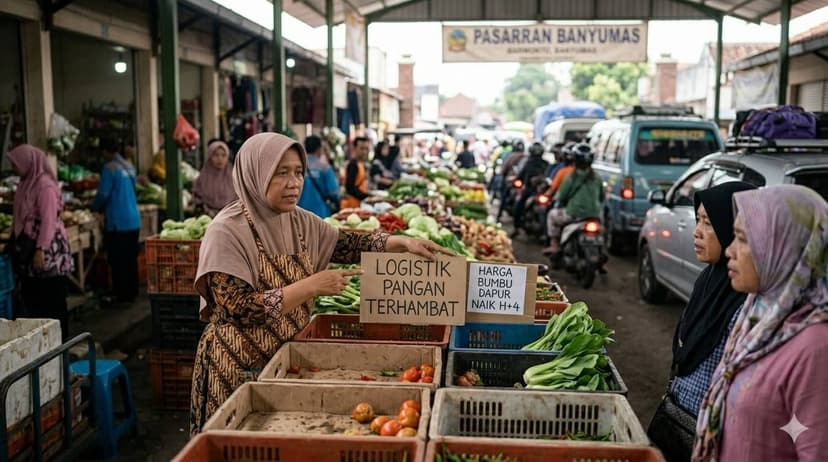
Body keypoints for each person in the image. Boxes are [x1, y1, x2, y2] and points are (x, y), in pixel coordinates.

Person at [189, 133, 452, 435]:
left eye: (299, 172)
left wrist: (401, 242)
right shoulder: (227, 231)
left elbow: (347, 243)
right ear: (255, 173)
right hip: (239, 364)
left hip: (287, 358)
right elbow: (241, 309)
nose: (294, 183)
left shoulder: (300, 221)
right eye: (281, 172)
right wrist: (311, 286)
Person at [692, 185, 828, 462]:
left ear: (784, 248)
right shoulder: (755, 319)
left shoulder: (816, 349)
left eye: (743, 238)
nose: (730, 250)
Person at [648, 182, 756, 462]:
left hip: (712, 438)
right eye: (698, 221)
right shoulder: (708, 280)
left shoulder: (747, 303)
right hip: (677, 416)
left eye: (708, 223)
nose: (697, 231)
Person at [7, 145, 73, 340]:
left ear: (29, 162)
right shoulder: (25, 184)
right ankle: (42, 349)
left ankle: (60, 349)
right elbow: (19, 217)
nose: (14, 168)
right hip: (29, 250)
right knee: (34, 302)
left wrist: (40, 250)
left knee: (52, 303)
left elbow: (49, 221)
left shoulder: (45, 186)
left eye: (16, 163)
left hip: (48, 252)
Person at [92, 137, 141, 304]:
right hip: (133, 219)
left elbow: (103, 194)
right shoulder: (129, 166)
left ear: (105, 151)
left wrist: (94, 207)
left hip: (118, 221)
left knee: (118, 260)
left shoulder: (109, 168)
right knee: (130, 258)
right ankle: (132, 292)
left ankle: (121, 295)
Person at [544, 143, 603, 254]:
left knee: (552, 215)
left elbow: (562, 196)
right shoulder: (597, 177)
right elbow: (602, 197)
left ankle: (555, 245)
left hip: (573, 214)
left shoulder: (570, 176)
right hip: (594, 215)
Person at [511, 142, 550, 238]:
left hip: (533, 191)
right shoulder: (545, 164)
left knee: (518, 207)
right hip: (541, 192)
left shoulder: (529, 163)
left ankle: (516, 228)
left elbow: (520, 176)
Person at [298, 135, 340, 218]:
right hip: (320, 212)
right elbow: (333, 192)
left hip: (299, 212)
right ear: (319, 149)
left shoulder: (299, 166)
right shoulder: (325, 168)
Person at [193, 140, 237, 217]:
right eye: (216, 155)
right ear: (210, 156)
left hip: (231, 217)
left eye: (223, 155)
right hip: (207, 218)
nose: (220, 159)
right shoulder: (203, 178)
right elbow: (197, 199)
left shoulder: (234, 177)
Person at [495, 141, 526, 221]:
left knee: (504, 196)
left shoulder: (511, 156)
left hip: (512, 180)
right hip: (520, 181)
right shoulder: (526, 157)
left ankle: (499, 215)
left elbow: (503, 169)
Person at [340, 137, 372, 210]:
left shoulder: (359, 163)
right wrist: (367, 196)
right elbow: (350, 188)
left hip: (356, 204)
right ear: (354, 148)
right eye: (361, 148)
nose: (364, 152)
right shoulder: (353, 165)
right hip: (350, 206)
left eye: (366, 149)